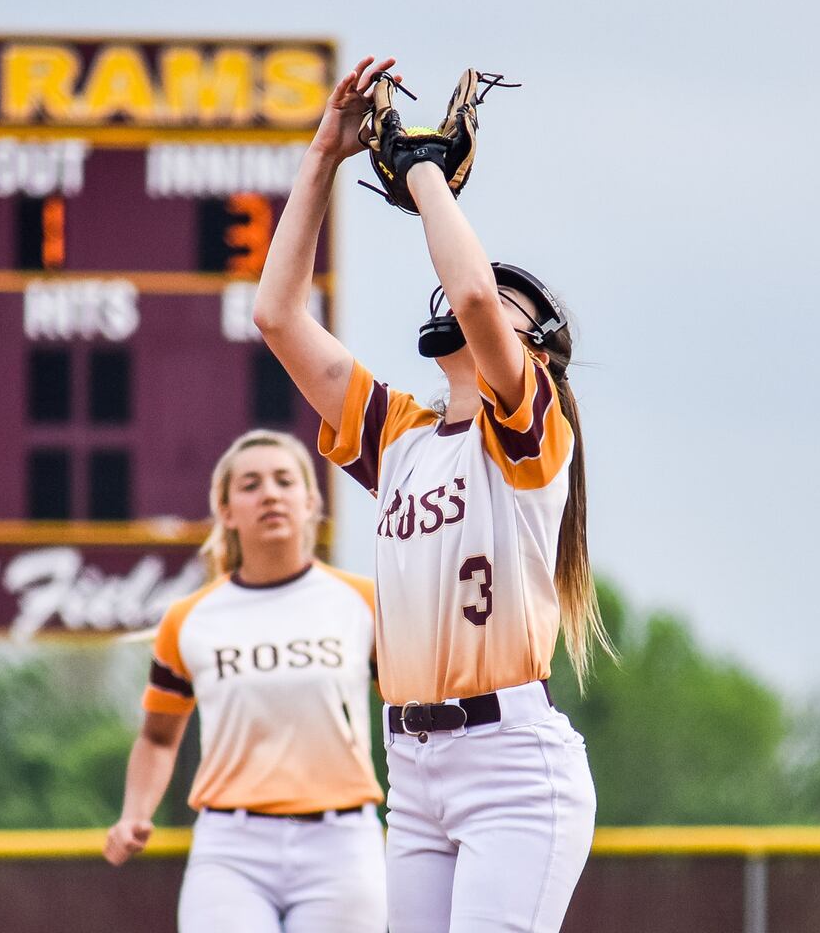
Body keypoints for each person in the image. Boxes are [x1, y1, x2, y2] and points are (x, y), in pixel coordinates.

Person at [251, 55, 613, 933]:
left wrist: (422, 175)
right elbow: (277, 317)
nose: (475, 301)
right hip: (411, 769)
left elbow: (480, 293)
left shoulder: (528, 436)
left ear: (540, 355)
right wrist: (323, 157)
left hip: (511, 769)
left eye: (518, 310)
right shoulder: (399, 437)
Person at [103, 429, 387, 933]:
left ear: (310, 502)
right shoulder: (189, 619)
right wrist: (133, 814)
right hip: (231, 850)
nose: (271, 494)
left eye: (285, 480)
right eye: (251, 484)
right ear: (226, 511)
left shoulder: (364, 602)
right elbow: (157, 738)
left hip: (343, 845)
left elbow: (413, 712)